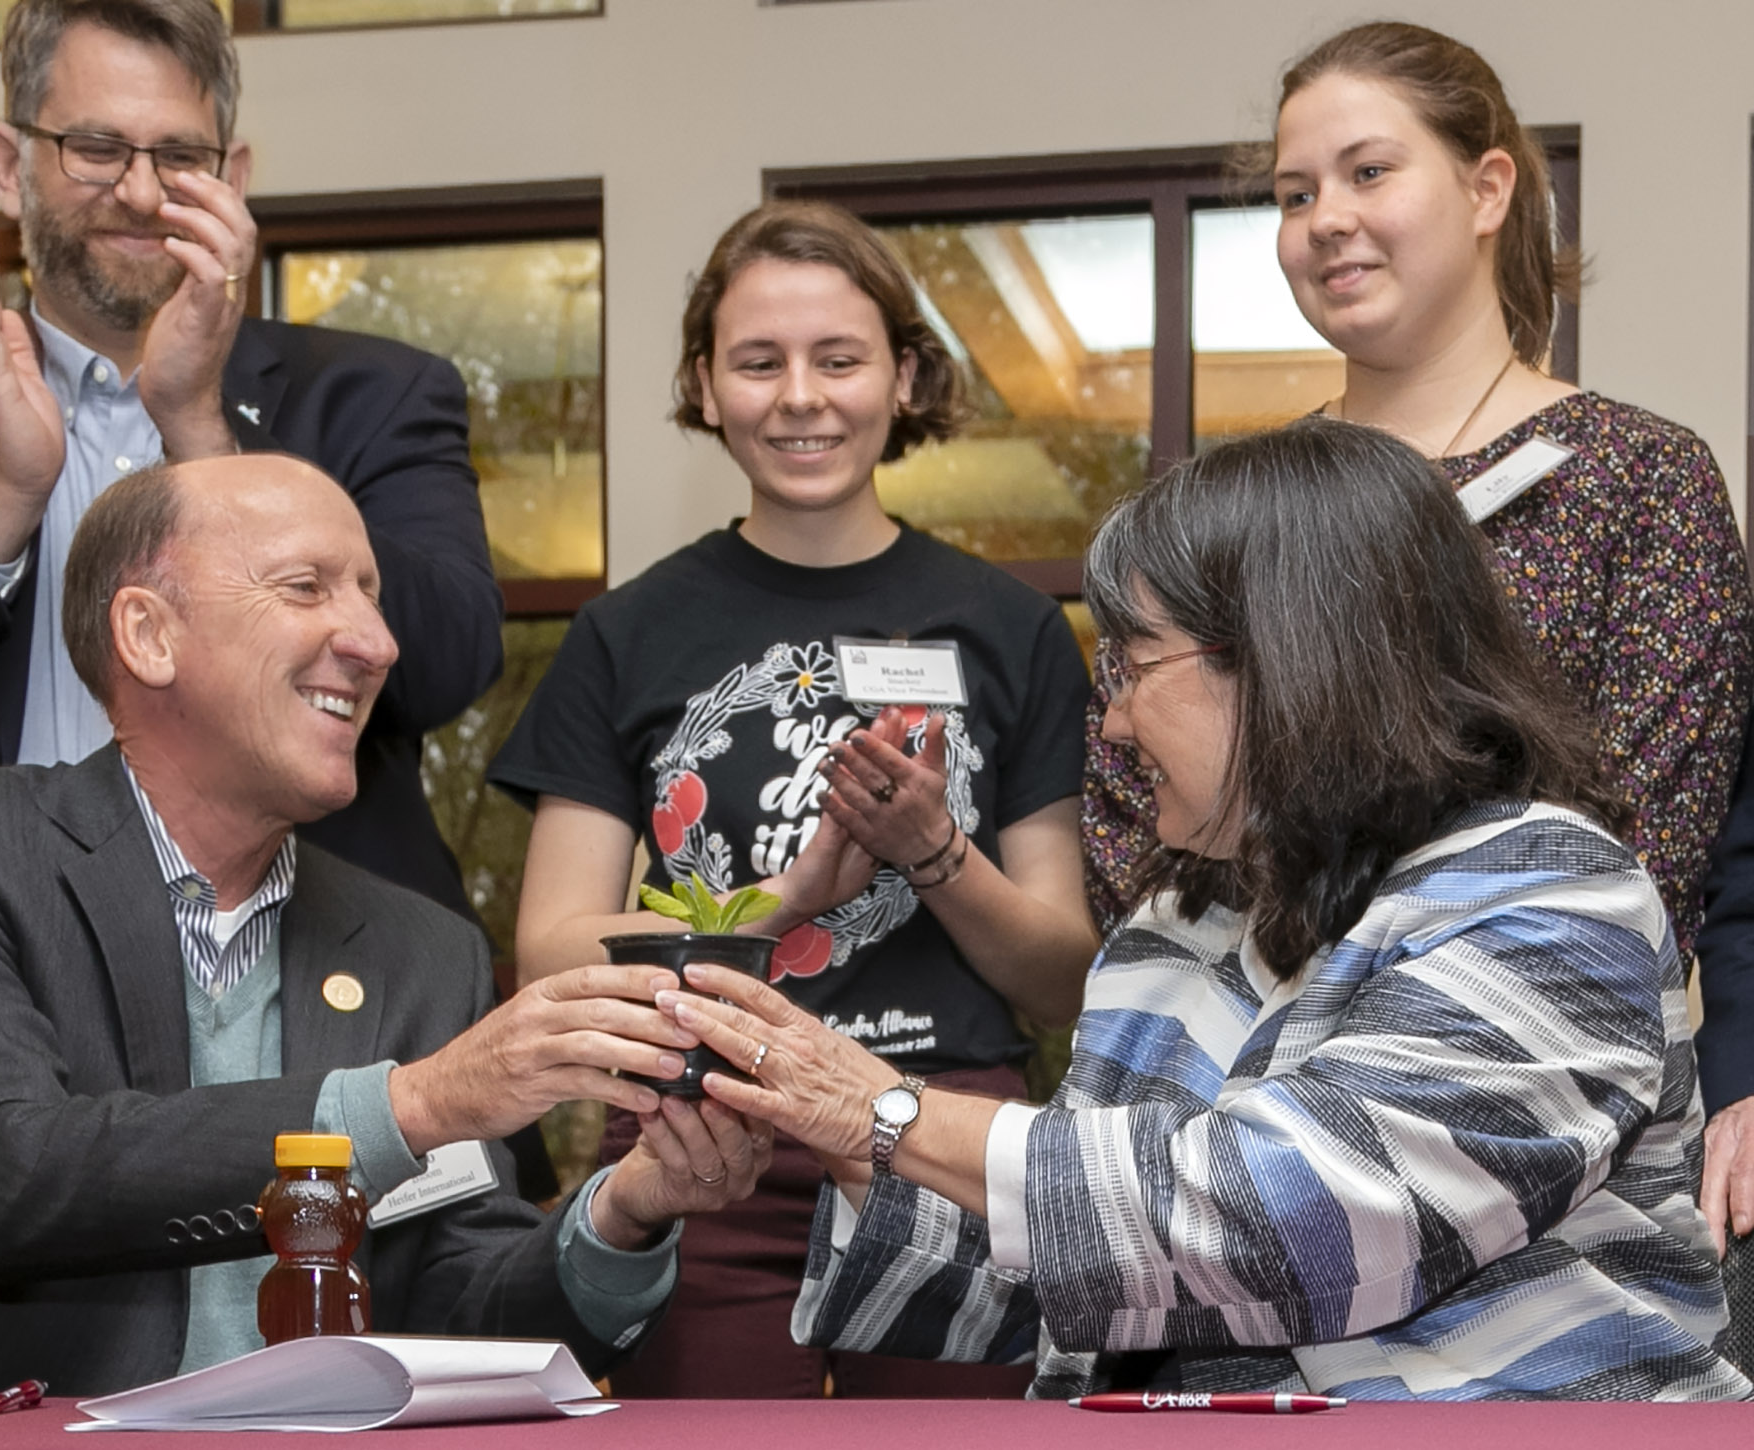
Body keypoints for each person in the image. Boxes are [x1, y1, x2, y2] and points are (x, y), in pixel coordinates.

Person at [664, 417, 1748, 1402]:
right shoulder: (1172, 925)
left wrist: (890, 1114)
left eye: (1131, 666)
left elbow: (1300, 1218)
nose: (1116, 725)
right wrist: (825, 1132)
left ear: (1285, 660)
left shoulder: (1550, 896)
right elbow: (1073, 1286)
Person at [0, 0, 506, 1273]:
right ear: (8, 161)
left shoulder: (372, 392)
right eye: (94, 148)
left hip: (302, 993)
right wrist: (1, 499)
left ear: (237, 177)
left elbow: (442, 658)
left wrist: (204, 428)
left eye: (181, 157)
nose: (140, 191)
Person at [0, 452, 767, 1396]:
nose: (377, 641)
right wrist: (417, 1104)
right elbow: (5, 1178)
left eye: (370, 594)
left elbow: (468, 1311)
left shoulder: (420, 949)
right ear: (149, 635)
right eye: (307, 587)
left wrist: (627, 1213)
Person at [487, 201, 1096, 1398]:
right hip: (702, 1132)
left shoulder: (1010, 629)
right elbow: (548, 952)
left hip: (939, 1133)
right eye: (757, 362)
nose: (799, 396)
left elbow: (1063, 976)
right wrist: (778, 899)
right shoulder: (627, 632)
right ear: (704, 385)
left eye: (839, 357)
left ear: (903, 375)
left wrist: (932, 852)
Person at [1079, 21, 1751, 966]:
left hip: (1532, 1054)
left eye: (1368, 173)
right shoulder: (1222, 510)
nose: (1324, 219)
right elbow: (1130, 821)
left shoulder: (1639, 476)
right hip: (1245, 1054)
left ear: (1487, 189)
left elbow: (1651, 836)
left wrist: (1419, 1002)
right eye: (1295, 193)